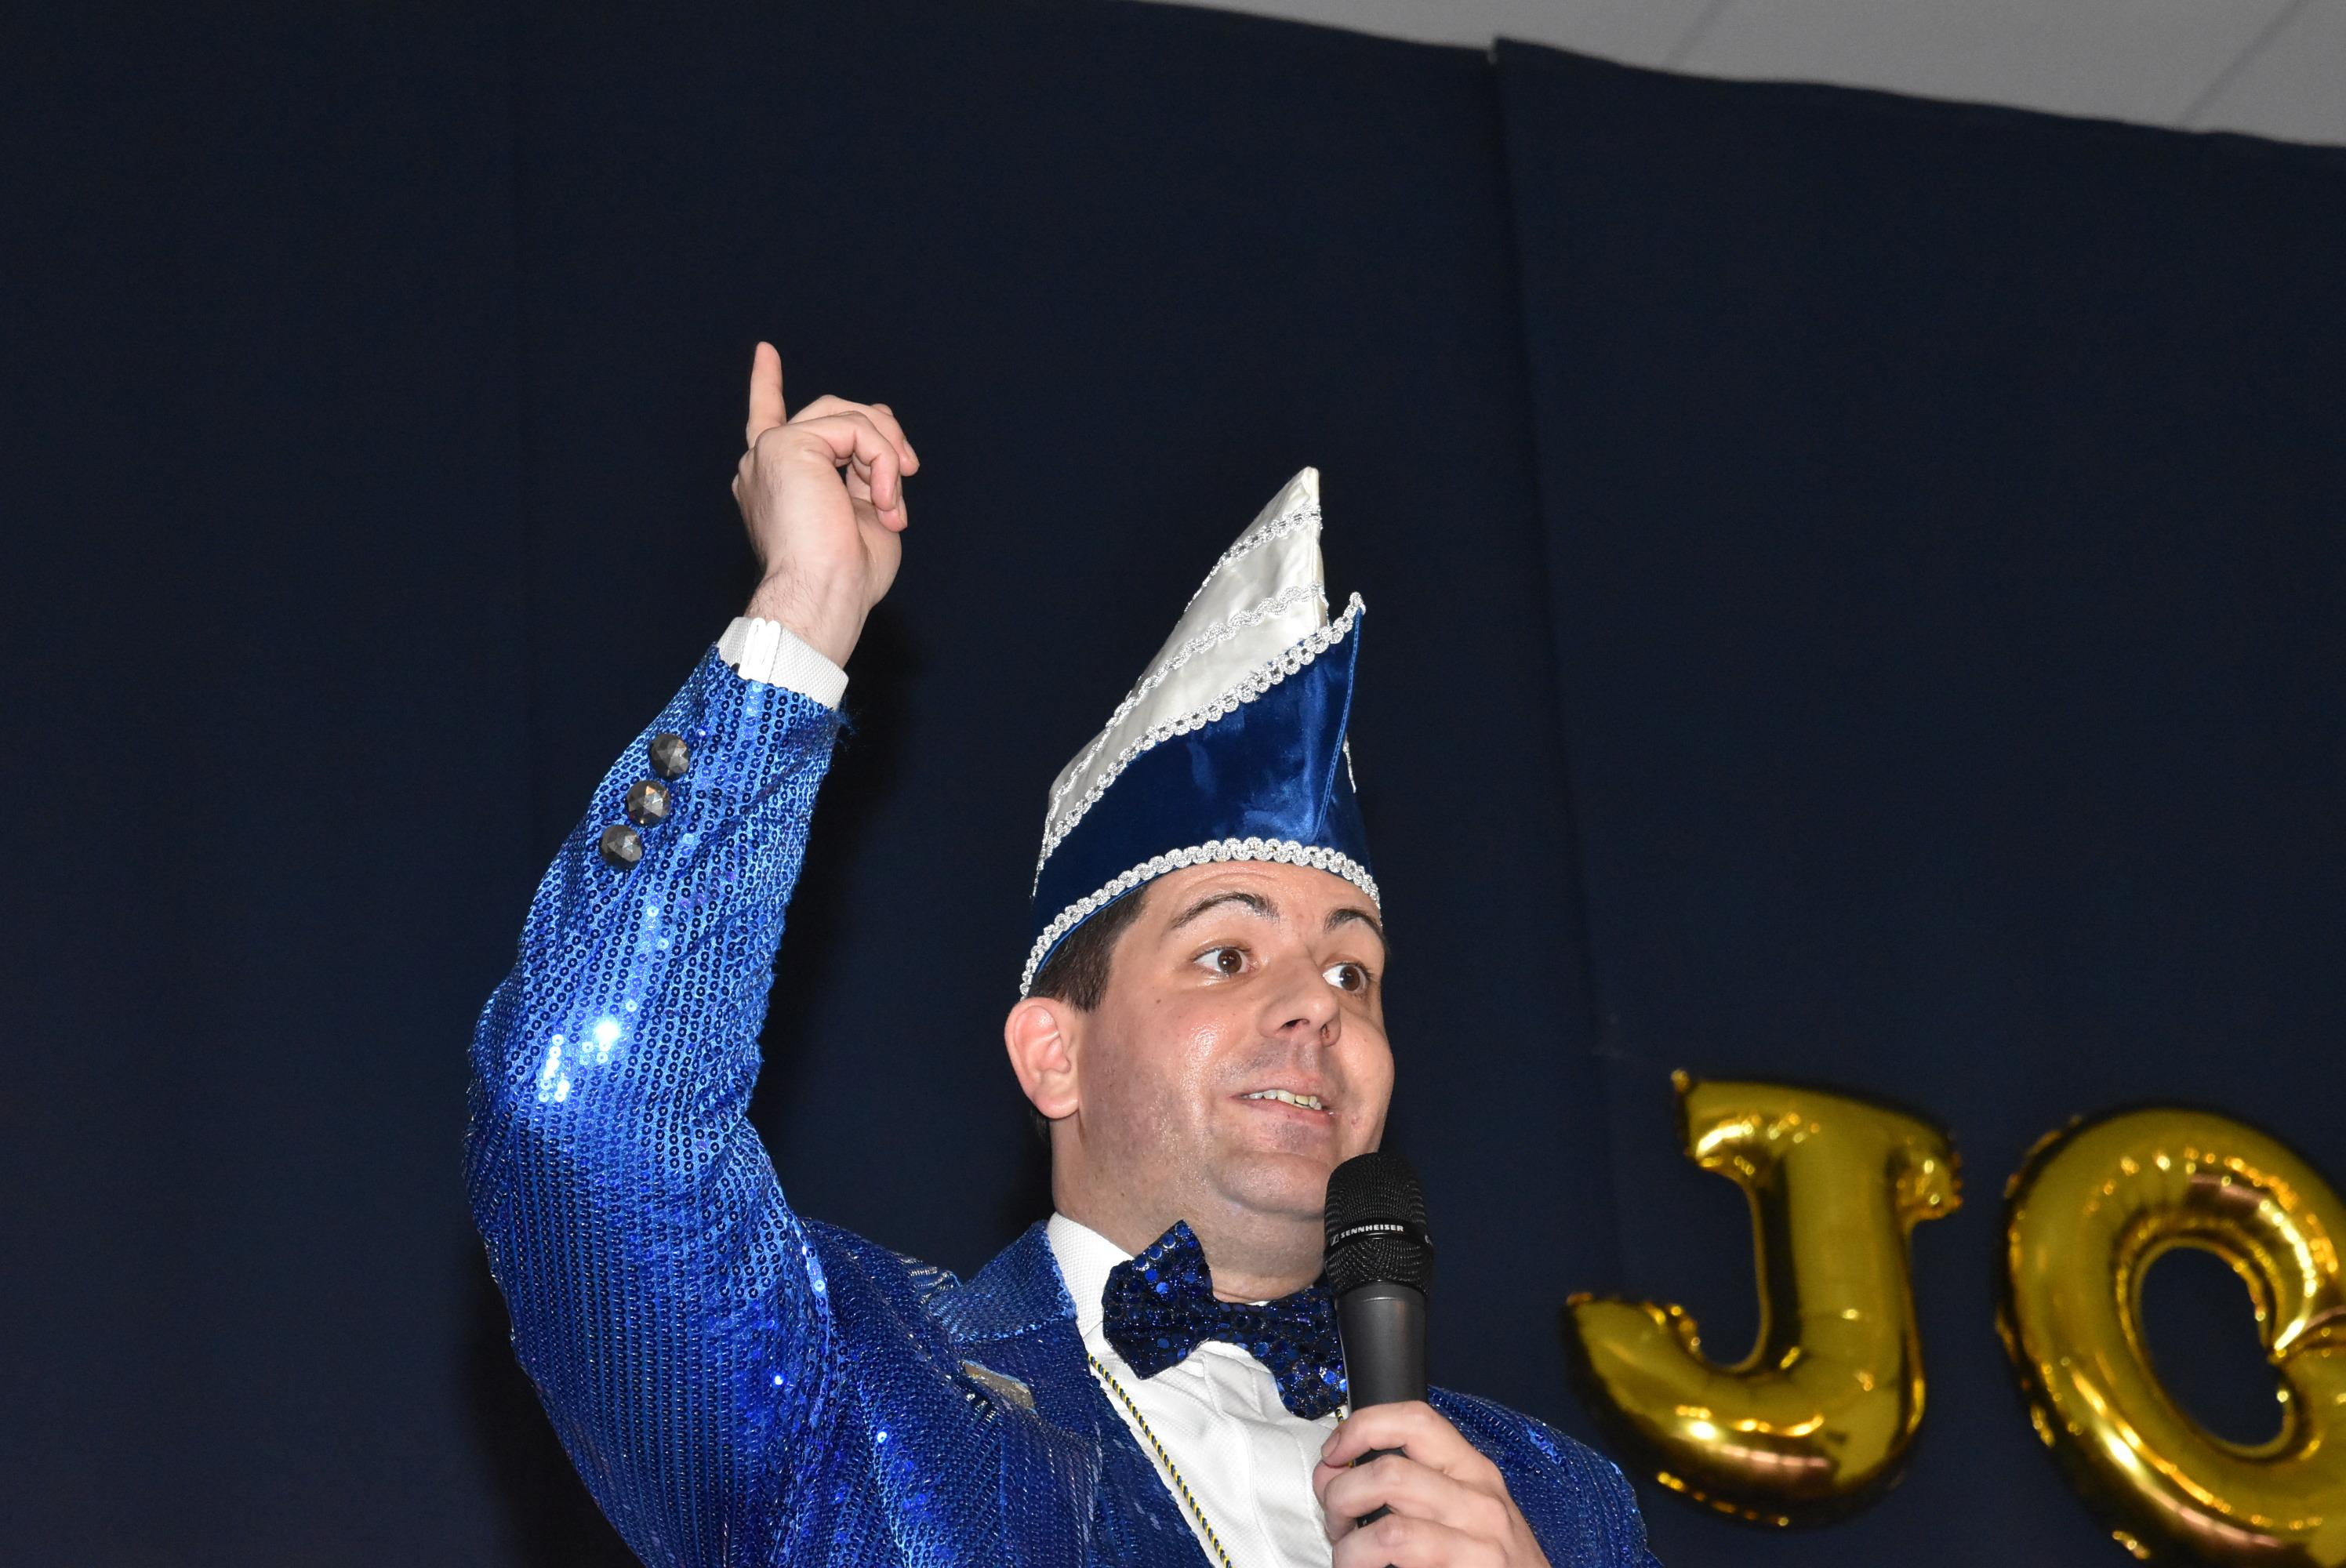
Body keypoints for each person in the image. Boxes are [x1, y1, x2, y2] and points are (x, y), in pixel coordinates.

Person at [467, 343, 1658, 1567]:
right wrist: (805, 612)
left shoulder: (1556, 1505)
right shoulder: (869, 1396)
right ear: (1053, 1054)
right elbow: (588, 1116)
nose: (1319, 1006)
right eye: (1227, 955)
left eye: (1355, 973)